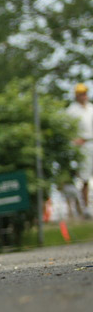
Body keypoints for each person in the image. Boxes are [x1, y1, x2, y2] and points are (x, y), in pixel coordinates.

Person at [65, 83, 93, 215]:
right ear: (76, 95)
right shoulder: (71, 111)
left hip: (92, 143)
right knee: (84, 177)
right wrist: (73, 140)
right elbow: (66, 129)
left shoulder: (91, 108)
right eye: (81, 94)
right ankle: (85, 208)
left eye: (85, 93)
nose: (84, 96)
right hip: (81, 146)